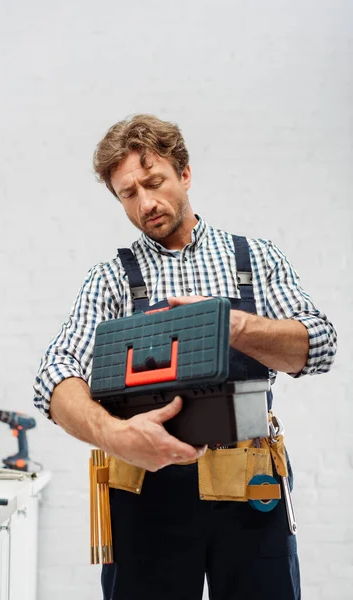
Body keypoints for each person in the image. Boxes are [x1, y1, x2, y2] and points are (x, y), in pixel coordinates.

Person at [33, 114, 337, 600]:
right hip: (144, 493)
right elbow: (54, 375)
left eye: (154, 182)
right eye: (128, 194)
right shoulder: (110, 279)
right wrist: (117, 435)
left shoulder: (253, 260)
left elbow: (318, 345)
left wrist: (231, 324)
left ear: (186, 173)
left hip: (250, 487)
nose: (146, 203)